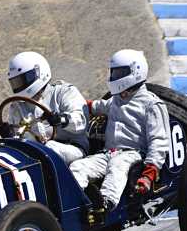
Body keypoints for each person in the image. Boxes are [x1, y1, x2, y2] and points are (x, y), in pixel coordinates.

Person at [69, 49, 170, 216]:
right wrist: (71, 108)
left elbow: (158, 141)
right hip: (108, 153)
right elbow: (95, 106)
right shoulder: (116, 100)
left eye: (120, 73)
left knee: (118, 166)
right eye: (114, 72)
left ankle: (106, 203)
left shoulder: (151, 104)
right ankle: (79, 203)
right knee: (78, 166)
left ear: (135, 71)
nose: (115, 76)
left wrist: (149, 173)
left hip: (134, 154)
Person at [0, 51, 88, 165]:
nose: (20, 85)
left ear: (39, 72)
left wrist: (61, 119)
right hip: (38, 152)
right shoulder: (17, 107)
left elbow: (81, 121)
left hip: (73, 147)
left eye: (23, 80)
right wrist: (10, 137)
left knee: (47, 149)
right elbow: (20, 139)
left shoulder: (64, 92)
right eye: (16, 82)